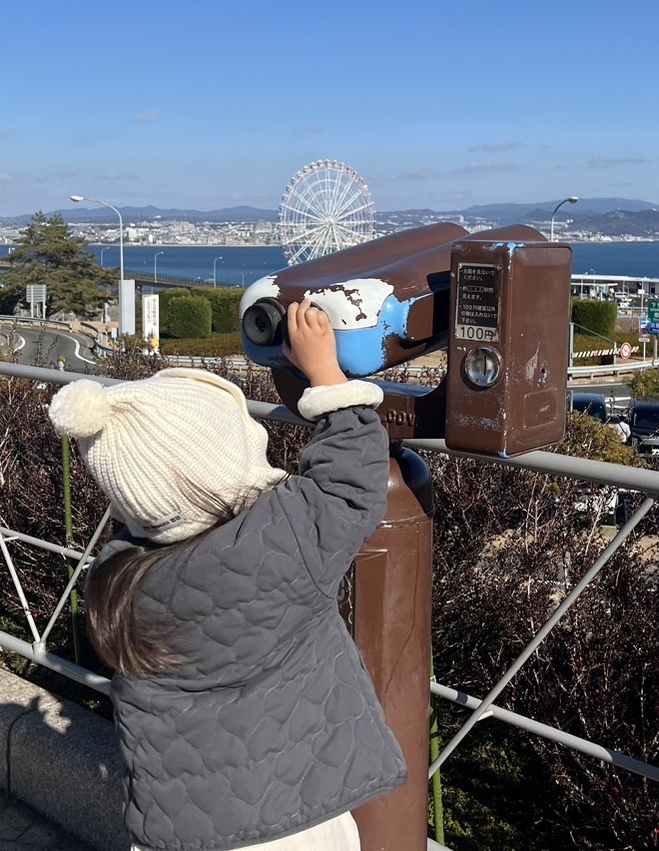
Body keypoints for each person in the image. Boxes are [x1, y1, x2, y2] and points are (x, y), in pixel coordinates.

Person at [48, 301, 407, 851]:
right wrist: (328, 376)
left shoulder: (117, 578)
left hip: (179, 829)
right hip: (295, 824)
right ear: (228, 464)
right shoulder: (281, 540)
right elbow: (349, 482)